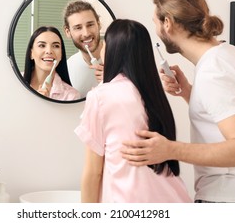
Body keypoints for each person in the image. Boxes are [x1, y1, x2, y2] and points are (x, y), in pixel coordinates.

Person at [121, 0, 235, 203]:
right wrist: (189, 93)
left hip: (231, 203)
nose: (156, 30)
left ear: (168, 23)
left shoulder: (214, 70)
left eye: (155, 22)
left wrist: (170, 150)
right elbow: (228, 113)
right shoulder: (228, 54)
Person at [74, 19, 192, 203]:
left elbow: (93, 173)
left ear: (114, 50)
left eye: (105, 44)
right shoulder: (154, 94)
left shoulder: (100, 97)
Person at [23, 26, 81, 101]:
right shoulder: (13, 82)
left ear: (61, 55)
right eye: (42, 45)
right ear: (31, 53)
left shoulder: (72, 96)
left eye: (56, 46)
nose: (49, 51)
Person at [63, 0, 104, 97]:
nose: (86, 33)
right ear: (68, 32)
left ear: (99, 24)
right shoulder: (68, 68)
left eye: (90, 25)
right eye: (78, 28)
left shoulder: (122, 59)